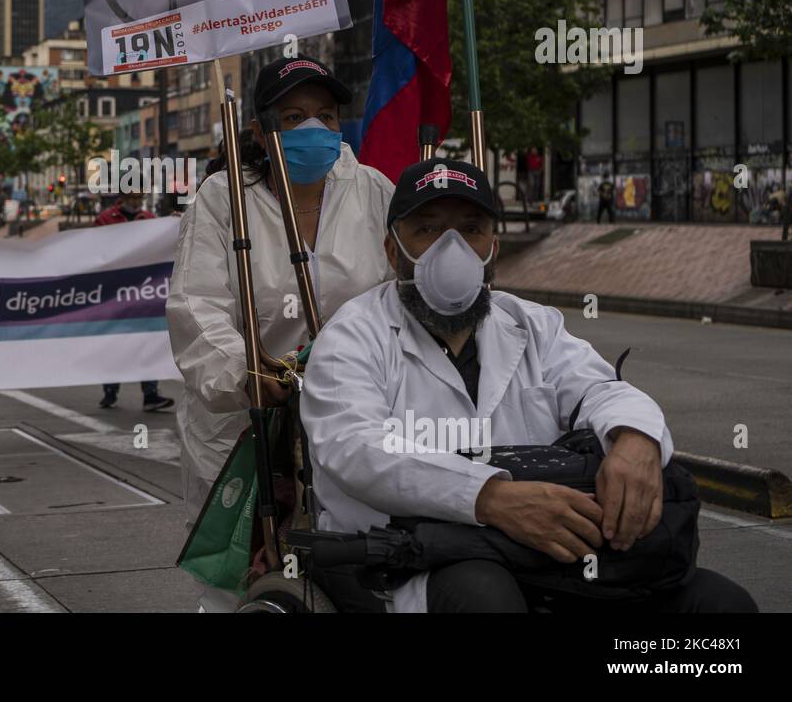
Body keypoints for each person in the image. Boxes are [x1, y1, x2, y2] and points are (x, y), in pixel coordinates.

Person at [301, 158, 756, 613]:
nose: (452, 249)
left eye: (471, 229)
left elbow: (599, 389)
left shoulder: (532, 325)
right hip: (410, 560)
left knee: (720, 603)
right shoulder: (354, 336)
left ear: (492, 247)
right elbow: (355, 446)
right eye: (428, 229)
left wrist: (635, 438)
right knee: (485, 598)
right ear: (392, 249)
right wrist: (490, 498)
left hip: (537, 555)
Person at [167, 55, 394, 613]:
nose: (312, 129)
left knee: (358, 568)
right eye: (293, 117)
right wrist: (245, 372)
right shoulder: (224, 201)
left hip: (354, 414)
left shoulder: (374, 192)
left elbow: (399, 293)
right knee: (246, 579)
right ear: (258, 131)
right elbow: (196, 307)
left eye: (325, 115)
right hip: (250, 422)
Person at [93, 191, 174, 411]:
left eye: (140, 197)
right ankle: (110, 391)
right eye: (133, 197)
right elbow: (95, 250)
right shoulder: (105, 219)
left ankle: (150, 395)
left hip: (142, 292)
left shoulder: (148, 219)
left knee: (146, 342)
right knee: (114, 342)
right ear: (123, 197)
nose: (137, 202)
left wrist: (174, 225)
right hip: (114, 292)